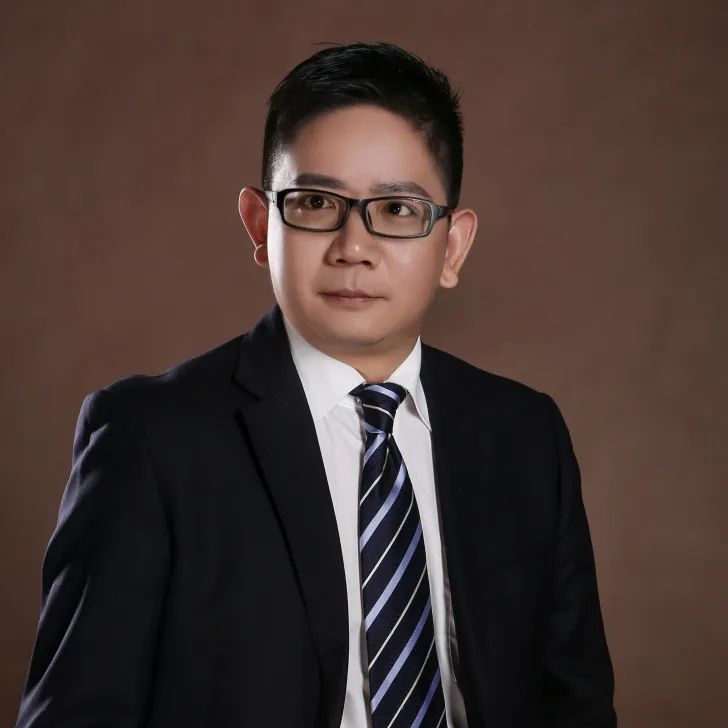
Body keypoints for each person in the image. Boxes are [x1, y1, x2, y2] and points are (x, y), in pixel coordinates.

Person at [16, 42, 616, 727]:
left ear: (452, 247)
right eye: (315, 202)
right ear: (260, 225)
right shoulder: (151, 439)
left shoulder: (524, 436)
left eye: (397, 210)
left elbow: (576, 706)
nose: (353, 247)